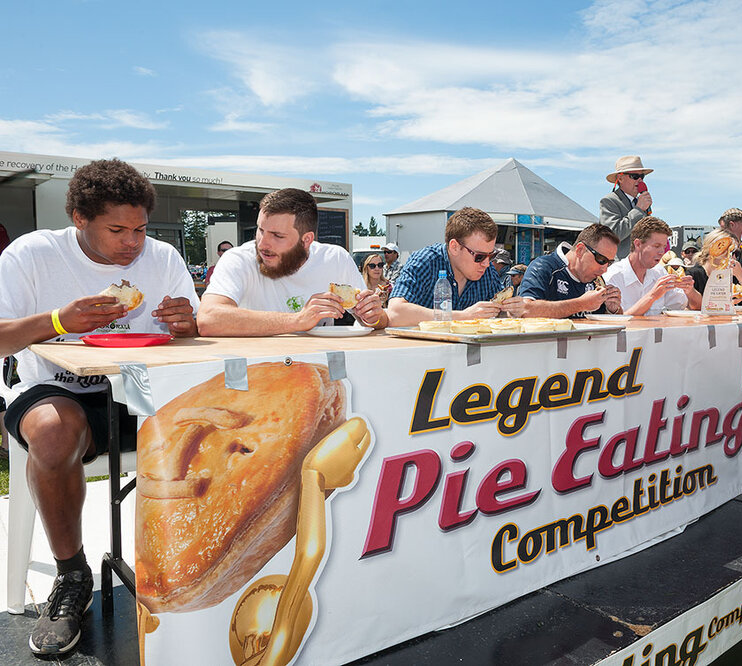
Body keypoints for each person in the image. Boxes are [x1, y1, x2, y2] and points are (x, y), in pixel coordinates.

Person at [0, 158, 198, 656]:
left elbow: (192, 336)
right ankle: (72, 577)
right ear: (78, 218)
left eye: (140, 229)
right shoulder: (34, 254)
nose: (132, 243)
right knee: (52, 432)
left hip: (139, 393)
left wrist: (186, 324)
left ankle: (198, 568)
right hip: (59, 392)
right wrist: (57, 320)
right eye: (116, 229)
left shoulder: (164, 257)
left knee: (218, 413)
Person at [198, 188, 387, 335]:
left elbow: (378, 321)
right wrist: (298, 320)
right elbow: (208, 319)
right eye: (261, 230)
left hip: (318, 368)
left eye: (277, 236)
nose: (262, 243)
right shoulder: (238, 259)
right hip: (257, 371)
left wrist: (373, 316)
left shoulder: (335, 258)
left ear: (306, 240)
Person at [386, 207, 525, 327]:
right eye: (480, 256)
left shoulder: (487, 271)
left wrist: (511, 311)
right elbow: (396, 313)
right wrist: (463, 316)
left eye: (491, 256)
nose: (486, 263)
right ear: (454, 247)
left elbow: (498, 314)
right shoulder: (425, 261)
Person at [520, 223, 624, 317]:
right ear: (580, 250)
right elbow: (525, 310)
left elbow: (605, 322)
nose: (604, 269)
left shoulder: (596, 280)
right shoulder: (544, 267)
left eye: (609, 263)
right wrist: (582, 304)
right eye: (601, 260)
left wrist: (613, 310)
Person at [604, 216, 698, 314]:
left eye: (664, 247)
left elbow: (693, 306)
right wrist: (652, 296)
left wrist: (689, 290)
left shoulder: (660, 272)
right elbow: (617, 323)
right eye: (656, 246)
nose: (662, 252)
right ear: (638, 244)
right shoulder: (612, 277)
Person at [685, 228, 742, 310]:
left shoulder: (734, 275)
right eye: (729, 251)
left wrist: (741, 275)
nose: (733, 257)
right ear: (713, 249)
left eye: (736, 253)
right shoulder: (693, 275)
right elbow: (694, 307)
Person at [598, 155, 654, 258]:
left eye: (642, 176)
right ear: (620, 178)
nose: (640, 180)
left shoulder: (640, 202)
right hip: (619, 266)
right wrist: (638, 210)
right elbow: (612, 235)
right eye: (635, 176)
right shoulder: (609, 201)